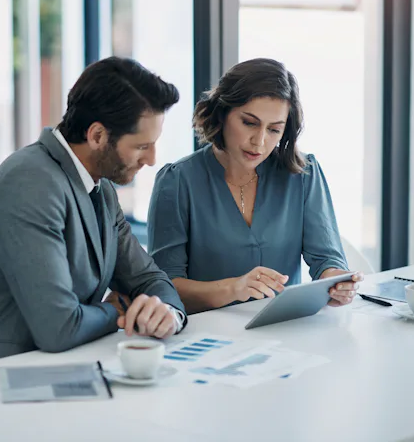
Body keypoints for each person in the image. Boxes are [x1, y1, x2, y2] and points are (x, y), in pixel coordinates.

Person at [0, 56, 187, 365]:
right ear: (97, 136)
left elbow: (148, 277)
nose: (152, 160)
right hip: (7, 381)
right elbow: (59, 327)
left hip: (74, 368)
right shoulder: (29, 182)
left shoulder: (101, 188)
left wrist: (166, 313)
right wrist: (118, 311)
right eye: (141, 146)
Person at [147, 58, 363, 314]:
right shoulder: (176, 182)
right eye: (249, 123)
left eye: (274, 130)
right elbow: (163, 288)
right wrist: (233, 288)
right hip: (206, 336)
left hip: (284, 330)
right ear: (222, 113)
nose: (259, 142)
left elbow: (326, 259)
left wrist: (336, 281)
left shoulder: (303, 174)